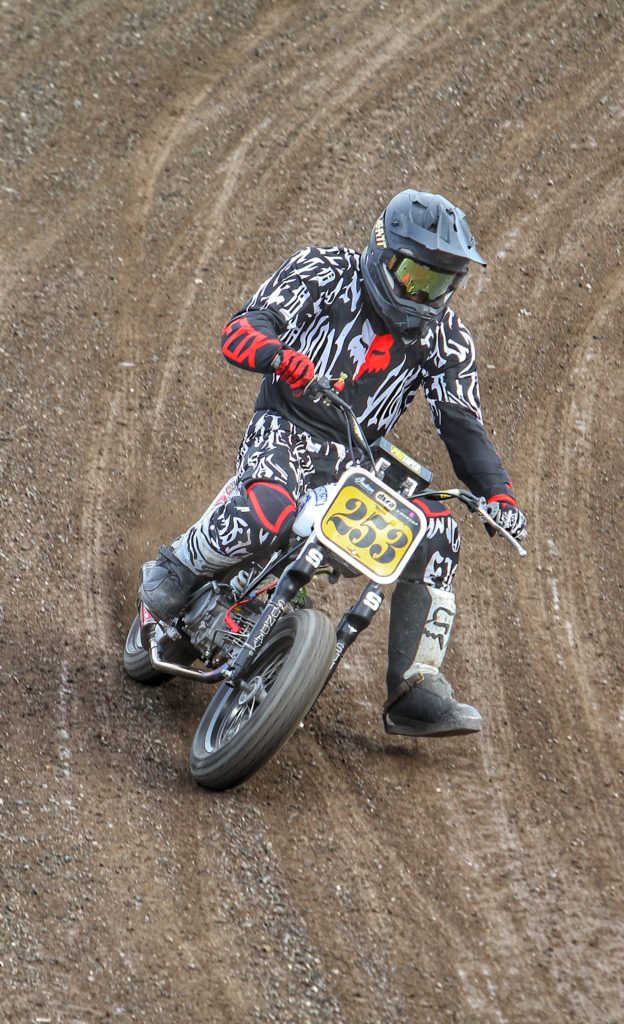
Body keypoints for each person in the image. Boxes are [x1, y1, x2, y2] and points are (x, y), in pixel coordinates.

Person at [139, 189, 527, 737]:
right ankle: (178, 568)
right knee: (270, 507)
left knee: (439, 531)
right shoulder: (323, 269)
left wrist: (498, 493)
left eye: (442, 283)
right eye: (417, 276)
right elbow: (242, 330)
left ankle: (414, 684)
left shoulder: (448, 339)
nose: (426, 294)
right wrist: (279, 355)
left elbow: (462, 424)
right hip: (285, 424)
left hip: (355, 459)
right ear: (383, 253)